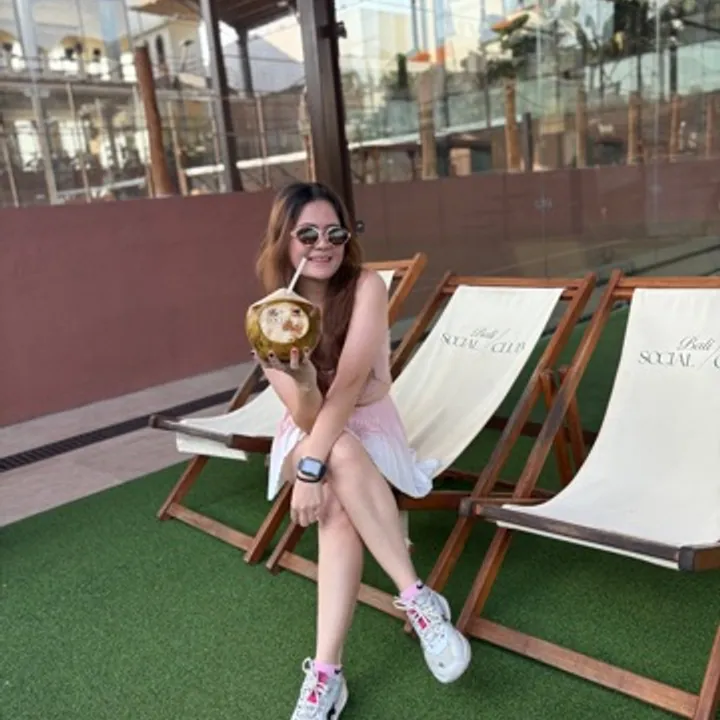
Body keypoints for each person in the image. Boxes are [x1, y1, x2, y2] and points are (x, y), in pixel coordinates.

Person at [252, 182, 472, 719]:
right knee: (340, 458)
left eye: (335, 233)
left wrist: (311, 470)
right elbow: (309, 415)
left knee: (334, 489)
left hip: (367, 429)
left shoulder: (366, 287)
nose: (323, 245)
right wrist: (306, 383)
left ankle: (326, 674)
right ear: (283, 239)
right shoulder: (266, 316)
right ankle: (417, 597)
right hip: (310, 431)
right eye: (307, 234)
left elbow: (352, 384)